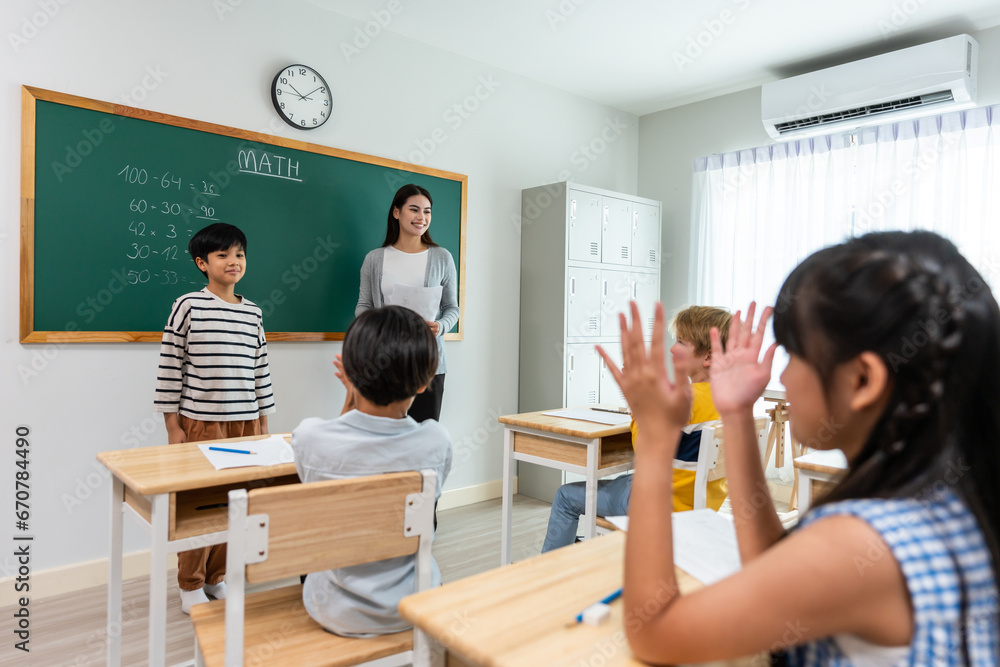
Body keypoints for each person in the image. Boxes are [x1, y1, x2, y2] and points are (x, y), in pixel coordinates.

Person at [602, 231, 999, 665]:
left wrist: (658, 443)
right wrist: (736, 413)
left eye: (794, 355)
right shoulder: (948, 498)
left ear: (862, 380)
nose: (784, 378)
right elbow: (774, 567)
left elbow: (655, 633)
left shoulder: (861, 543)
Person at [291, 305, 452, 637]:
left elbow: (336, 444)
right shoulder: (437, 441)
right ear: (425, 382)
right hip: (415, 603)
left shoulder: (309, 438)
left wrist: (352, 400)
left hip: (335, 610)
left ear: (350, 371)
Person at [153, 222, 276, 614]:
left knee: (234, 505)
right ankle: (190, 582)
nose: (233, 261)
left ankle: (216, 577)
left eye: (239, 254)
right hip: (202, 423)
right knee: (198, 508)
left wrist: (264, 424)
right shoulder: (188, 304)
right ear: (202, 263)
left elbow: (261, 369)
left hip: (246, 425)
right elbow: (170, 366)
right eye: (222, 255)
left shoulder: (253, 311)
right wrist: (172, 425)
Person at [541, 306, 732, 552]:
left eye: (681, 342)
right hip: (700, 506)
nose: (672, 348)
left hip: (656, 505)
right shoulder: (732, 399)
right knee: (624, 479)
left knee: (566, 496)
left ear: (708, 357)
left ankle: (549, 574)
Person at [356, 184, 459, 423]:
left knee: (423, 442)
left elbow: (452, 308)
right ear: (396, 212)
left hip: (427, 363)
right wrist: (375, 330)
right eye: (414, 210)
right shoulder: (374, 259)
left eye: (427, 211)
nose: (421, 217)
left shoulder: (442, 257)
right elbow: (364, 305)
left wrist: (441, 327)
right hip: (383, 361)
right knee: (384, 440)